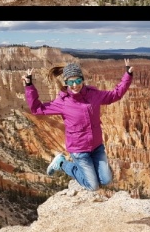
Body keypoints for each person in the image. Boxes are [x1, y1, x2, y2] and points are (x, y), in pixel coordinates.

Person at [22, 59, 133, 191]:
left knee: (106, 180)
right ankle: (62, 163)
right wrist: (29, 85)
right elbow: (37, 109)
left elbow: (115, 95)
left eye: (78, 81)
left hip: (97, 147)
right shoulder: (62, 102)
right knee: (93, 186)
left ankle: (90, 171)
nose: (75, 85)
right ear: (66, 83)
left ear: (82, 80)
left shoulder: (94, 95)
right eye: (70, 82)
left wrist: (127, 76)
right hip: (79, 151)